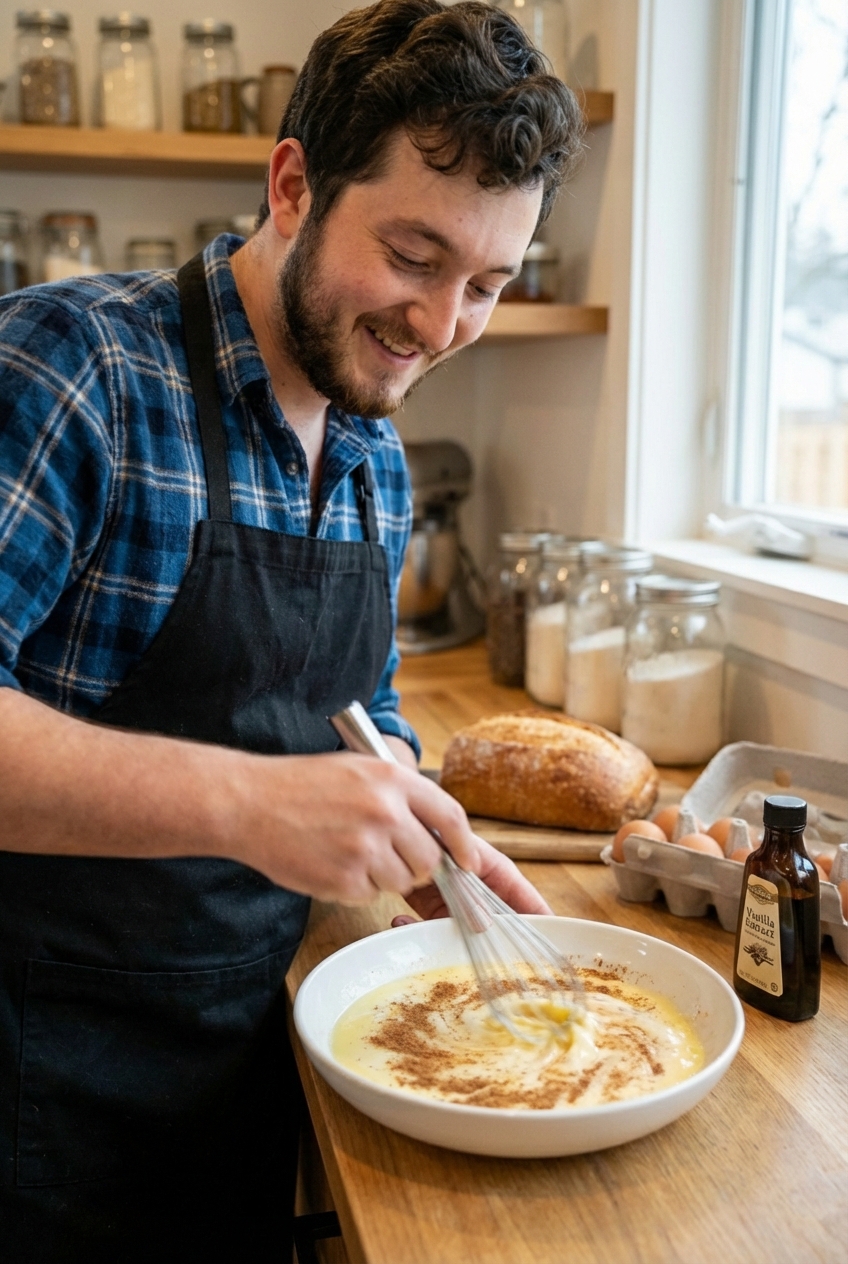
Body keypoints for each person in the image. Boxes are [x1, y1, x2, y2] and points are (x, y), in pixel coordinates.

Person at [0, 1, 583, 1258]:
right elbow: (263, 780)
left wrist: (420, 835)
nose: (439, 330)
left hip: (244, 1065)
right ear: (289, 183)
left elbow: (355, 708)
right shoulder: (75, 369)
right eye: (415, 258)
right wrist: (248, 804)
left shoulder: (371, 450)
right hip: (30, 1086)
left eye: (484, 284)